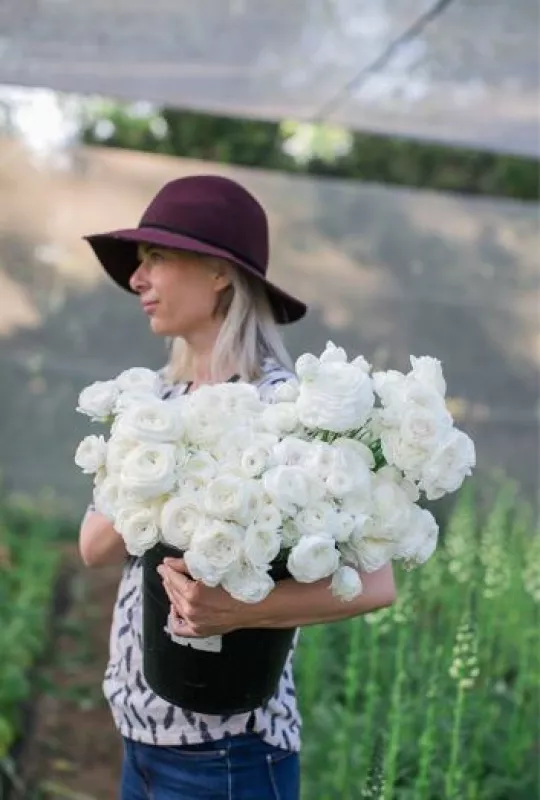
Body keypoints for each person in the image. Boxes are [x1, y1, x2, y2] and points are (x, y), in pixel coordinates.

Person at [79, 174, 396, 800]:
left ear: (220, 272)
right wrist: (157, 460)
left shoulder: (293, 412)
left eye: (156, 259)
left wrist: (242, 610)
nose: (138, 280)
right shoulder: (155, 402)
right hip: (138, 729)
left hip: (227, 750)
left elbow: (377, 585)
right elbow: (93, 548)